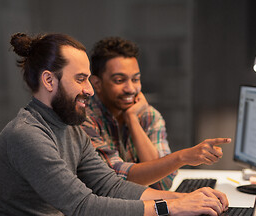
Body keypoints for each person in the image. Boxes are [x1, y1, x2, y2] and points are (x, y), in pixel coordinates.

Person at [0, 32, 229, 216]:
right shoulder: (27, 135)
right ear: (49, 81)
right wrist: (169, 208)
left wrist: (184, 199)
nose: (90, 90)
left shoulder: (70, 129)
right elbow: (85, 207)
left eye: (89, 79)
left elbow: (110, 186)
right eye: (80, 79)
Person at [82, 37, 231, 190]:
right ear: (97, 84)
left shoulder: (148, 115)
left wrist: (132, 120)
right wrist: (182, 157)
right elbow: (113, 182)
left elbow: (162, 183)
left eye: (135, 79)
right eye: (120, 80)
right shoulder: (84, 119)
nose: (131, 89)